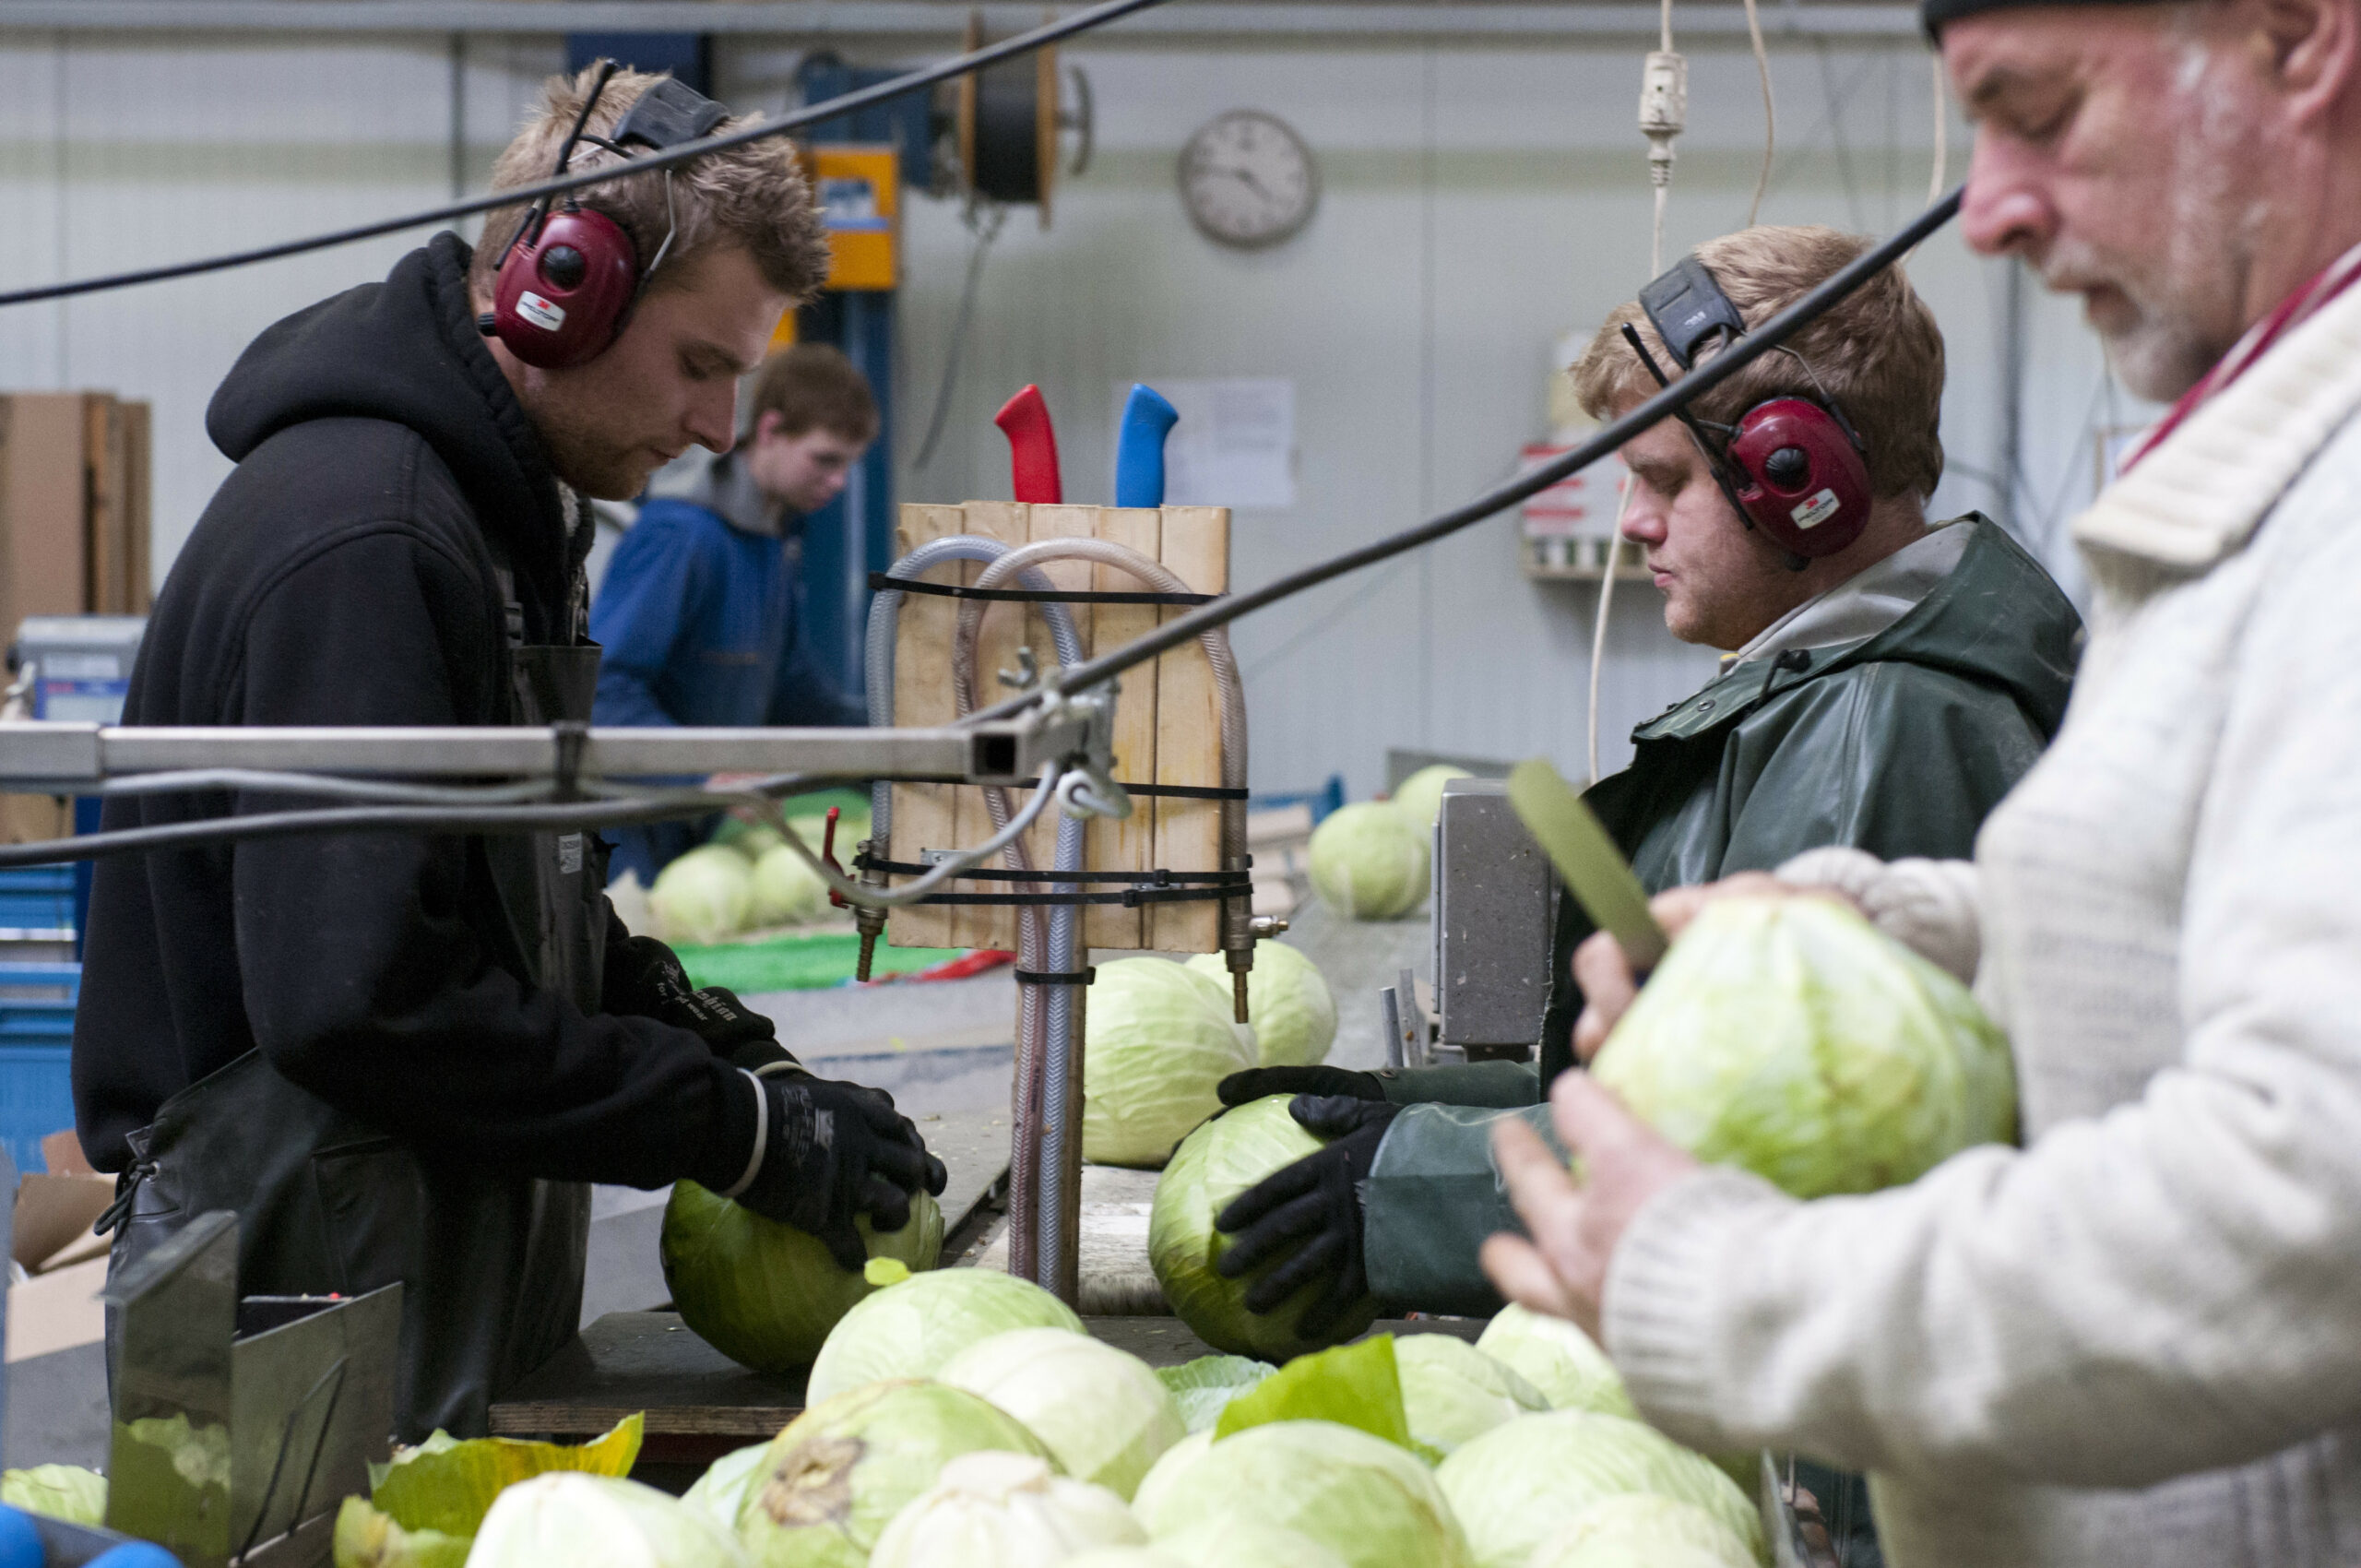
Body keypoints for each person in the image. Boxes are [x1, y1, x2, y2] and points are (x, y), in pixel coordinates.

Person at [1486, 0, 2361, 1560]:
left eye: (2038, 110)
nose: (1997, 205)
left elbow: (2311, 1200)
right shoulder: (2276, 467)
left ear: (2300, 40)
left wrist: (1729, 1295)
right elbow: (2204, 929)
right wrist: (1882, 927)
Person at [74, 66, 943, 1440]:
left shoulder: (497, 530)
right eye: (704, 365)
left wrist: (731, 1054)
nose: (719, 426)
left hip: (404, 1272)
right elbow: (361, 998)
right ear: (560, 287)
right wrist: (719, 1130)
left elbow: (495, 904)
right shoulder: (368, 543)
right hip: (289, 1333)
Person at [1209, 225, 2081, 1349]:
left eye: (1662, 478)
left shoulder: (1889, 727)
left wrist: (1407, 1189)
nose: (1632, 522)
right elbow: (1702, 1057)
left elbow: (1788, 1142)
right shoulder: (1818, 693)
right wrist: (1410, 1110)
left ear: (1799, 484)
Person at [593, 342, 877, 884]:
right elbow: (604, 690)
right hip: (628, 840)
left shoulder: (772, 543)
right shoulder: (679, 537)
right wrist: (703, 775)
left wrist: (901, 745)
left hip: (696, 839)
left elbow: (794, 697)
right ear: (768, 430)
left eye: (849, 465)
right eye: (826, 459)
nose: (839, 482)